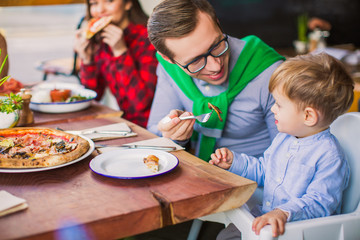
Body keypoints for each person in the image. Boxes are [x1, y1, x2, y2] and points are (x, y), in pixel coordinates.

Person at [210, 53, 353, 238]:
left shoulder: (329, 155)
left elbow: (321, 202)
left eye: (279, 104)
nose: (272, 109)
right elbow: (265, 170)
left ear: (308, 116)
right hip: (264, 218)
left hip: (298, 231)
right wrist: (234, 162)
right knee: (225, 236)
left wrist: (283, 213)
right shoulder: (284, 138)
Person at [146, 0, 285, 162]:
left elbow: (289, 159)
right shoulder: (169, 69)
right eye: (196, 61)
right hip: (200, 176)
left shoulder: (269, 72)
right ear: (169, 59)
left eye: (216, 45)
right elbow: (155, 132)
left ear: (217, 24)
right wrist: (174, 137)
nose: (215, 66)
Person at [74, 0, 158, 128]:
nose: (100, 10)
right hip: (124, 125)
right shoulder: (101, 40)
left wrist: (120, 52)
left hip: (154, 127)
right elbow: (94, 96)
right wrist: (87, 60)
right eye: (94, 3)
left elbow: (140, 104)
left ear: (128, 3)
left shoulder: (148, 39)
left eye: (109, 1)